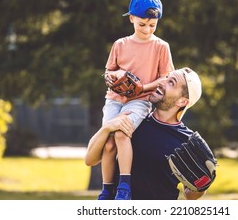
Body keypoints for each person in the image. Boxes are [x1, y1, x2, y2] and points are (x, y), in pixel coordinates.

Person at [85, 67, 206, 200]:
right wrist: (107, 128)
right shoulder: (134, 120)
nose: (161, 82)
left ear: (182, 101)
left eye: (171, 82)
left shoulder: (187, 142)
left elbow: (190, 195)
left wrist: (201, 186)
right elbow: (90, 159)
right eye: (166, 77)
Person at [98, 0, 174, 200]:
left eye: (152, 25)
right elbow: (109, 71)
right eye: (142, 24)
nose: (147, 29)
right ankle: (106, 189)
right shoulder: (120, 44)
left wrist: (143, 88)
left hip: (140, 101)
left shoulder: (161, 47)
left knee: (122, 133)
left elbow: (166, 79)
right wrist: (112, 77)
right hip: (114, 99)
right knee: (109, 142)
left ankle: (124, 187)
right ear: (131, 18)